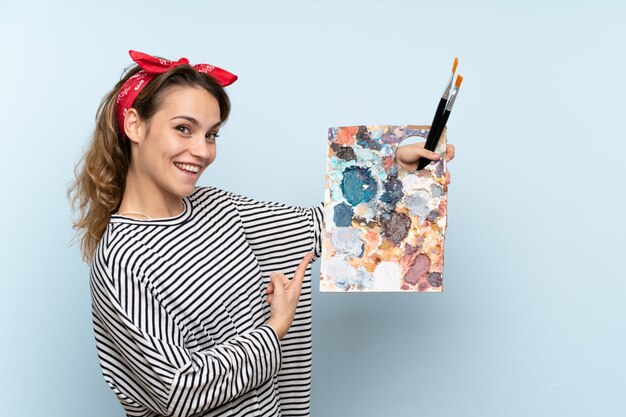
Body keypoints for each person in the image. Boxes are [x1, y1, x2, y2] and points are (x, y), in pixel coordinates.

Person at [69, 50, 455, 417]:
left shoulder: (221, 209)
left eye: (211, 135)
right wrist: (274, 330)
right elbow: (177, 389)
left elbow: (329, 227)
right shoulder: (120, 260)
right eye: (184, 129)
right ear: (135, 125)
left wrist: (398, 173)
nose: (201, 151)